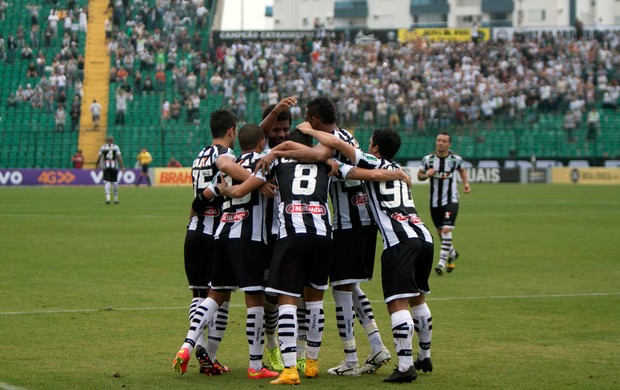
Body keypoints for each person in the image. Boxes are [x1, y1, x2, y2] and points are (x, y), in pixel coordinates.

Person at [261, 97, 392, 376]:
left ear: (314, 121)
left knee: (341, 289)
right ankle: (376, 342)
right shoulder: (346, 136)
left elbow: (317, 155)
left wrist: (282, 150)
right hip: (360, 221)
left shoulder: (328, 140)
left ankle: (350, 357)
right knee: (350, 286)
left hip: (347, 224)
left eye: (308, 121)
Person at [297, 124, 435, 383]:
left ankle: (402, 365)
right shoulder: (400, 170)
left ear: (375, 148)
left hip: (397, 240)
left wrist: (313, 136)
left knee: (397, 302)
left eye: (369, 142)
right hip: (423, 235)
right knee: (417, 297)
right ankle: (423, 354)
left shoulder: (372, 162)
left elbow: (341, 154)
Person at [185, 124, 280, 380]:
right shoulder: (262, 162)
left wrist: (202, 205)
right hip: (249, 237)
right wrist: (252, 184)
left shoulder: (231, 160)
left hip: (221, 234)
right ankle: (256, 365)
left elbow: (211, 191)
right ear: (261, 144)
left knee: (214, 295)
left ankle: (187, 345)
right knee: (254, 300)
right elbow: (240, 189)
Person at [172, 109, 251, 376]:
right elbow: (218, 184)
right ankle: (210, 353)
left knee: (198, 293)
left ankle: (201, 345)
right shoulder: (224, 155)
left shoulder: (198, 156)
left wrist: (195, 205)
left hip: (193, 231)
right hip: (217, 232)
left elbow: (196, 198)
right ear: (231, 130)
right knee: (221, 293)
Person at [417, 133, 470, 275]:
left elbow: (462, 170)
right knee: (441, 232)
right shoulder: (428, 160)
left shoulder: (455, 159)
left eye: (444, 141)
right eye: (439, 140)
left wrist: (466, 183)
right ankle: (452, 253)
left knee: (446, 229)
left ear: (449, 144)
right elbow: (419, 176)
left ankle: (441, 263)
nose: (440, 143)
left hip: (451, 200)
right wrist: (427, 174)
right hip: (434, 202)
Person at [95, 136, 125, 205]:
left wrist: (96, 165)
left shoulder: (103, 147)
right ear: (113, 141)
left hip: (106, 167)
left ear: (107, 141)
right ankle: (116, 199)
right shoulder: (116, 147)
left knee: (107, 182)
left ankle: (108, 199)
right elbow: (119, 157)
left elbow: (99, 157)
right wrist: (122, 167)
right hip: (114, 167)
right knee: (114, 182)